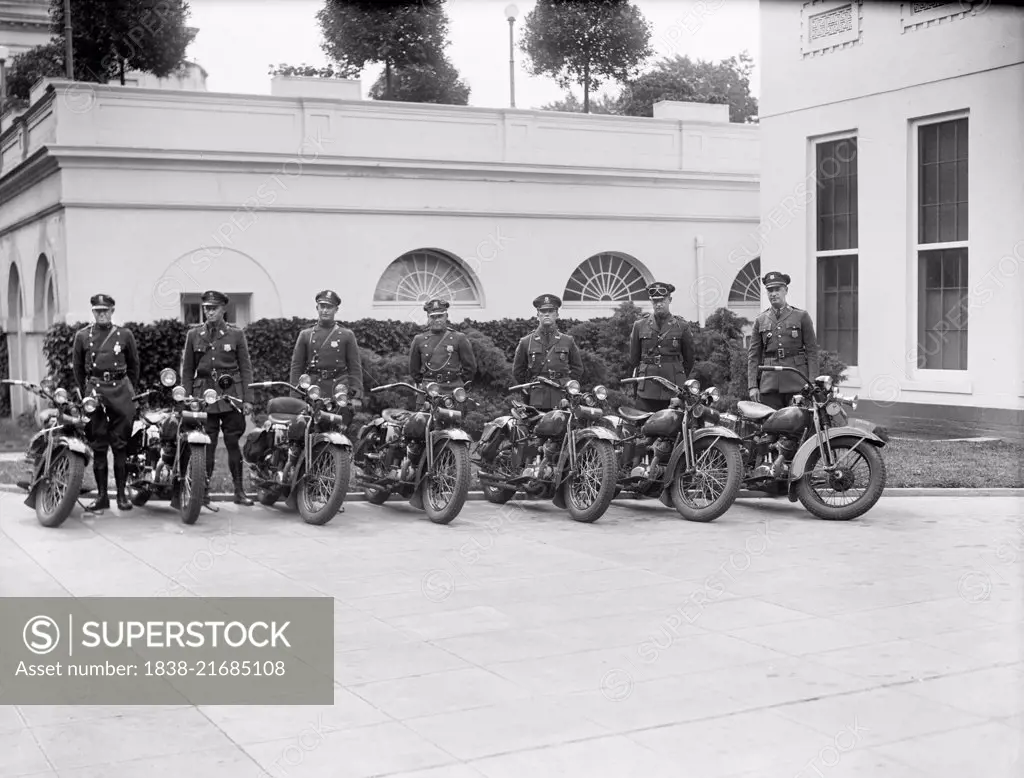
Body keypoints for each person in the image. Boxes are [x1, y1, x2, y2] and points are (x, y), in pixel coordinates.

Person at [180, 290, 255, 507]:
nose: (209, 312)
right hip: (204, 395)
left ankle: (239, 491)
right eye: (206, 308)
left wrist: (248, 398)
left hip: (231, 394)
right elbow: (187, 370)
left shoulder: (235, 334)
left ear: (224, 309)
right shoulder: (194, 335)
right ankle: (202, 493)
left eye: (213, 308)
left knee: (233, 443)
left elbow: (245, 367)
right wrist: (186, 397)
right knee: (207, 445)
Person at [72, 294, 140, 512]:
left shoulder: (125, 334)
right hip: (96, 392)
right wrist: (86, 395)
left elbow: (134, 366)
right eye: (97, 311)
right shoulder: (83, 336)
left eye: (106, 310)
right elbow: (78, 369)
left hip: (120, 391)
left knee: (120, 446)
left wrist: (130, 391)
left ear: (112, 311)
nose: (102, 314)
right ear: (93, 312)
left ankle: (121, 496)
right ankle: (102, 497)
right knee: (99, 446)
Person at [747, 271, 820, 410]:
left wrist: (812, 384)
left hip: (797, 382)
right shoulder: (760, 320)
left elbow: (812, 352)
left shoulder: (801, 316)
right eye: (769, 290)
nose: (773, 294)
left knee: (799, 426)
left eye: (777, 289)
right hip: (770, 385)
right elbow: (753, 356)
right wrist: (752, 386)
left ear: (785, 290)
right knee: (772, 427)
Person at [627, 281, 696, 412]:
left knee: (676, 427)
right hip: (647, 388)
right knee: (643, 427)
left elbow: (689, 359)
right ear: (651, 301)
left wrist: (678, 376)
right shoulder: (639, 325)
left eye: (662, 300)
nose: (658, 304)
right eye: (655, 301)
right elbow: (634, 359)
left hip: (673, 388)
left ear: (670, 300)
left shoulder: (682, 326)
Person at [289, 289, 363, 406]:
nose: (325, 310)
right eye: (322, 306)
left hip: (339, 390)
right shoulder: (306, 335)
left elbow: (355, 367)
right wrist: (295, 394)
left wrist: (357, 395)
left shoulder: (347, 335)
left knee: (340, 423)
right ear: (317, 308)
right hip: (314, 390)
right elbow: (296, 366)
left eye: (329, 307)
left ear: (336, 310)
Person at [511, 294, 584, 411]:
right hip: (537, 397)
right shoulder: (526, 342)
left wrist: (567, 384)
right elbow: (518, 371)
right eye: (543, 311)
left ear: (557, 315)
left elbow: (578, 368)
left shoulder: (567, 340)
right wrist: (531, 385)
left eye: (551, 311)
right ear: (537, 315)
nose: (546, 314)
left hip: (562, 395)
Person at [409, 299, 477, 392]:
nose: (437, 320)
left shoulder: (459, 338)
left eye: (440, 316)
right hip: (429, 389)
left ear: (446, 316)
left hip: (453, 388)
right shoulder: (419, 339)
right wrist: (424, 384)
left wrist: (460, 384)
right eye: (433, 317)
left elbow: (470, 367)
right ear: (428, 317)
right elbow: (414, 370)